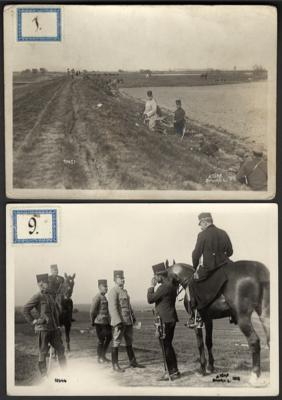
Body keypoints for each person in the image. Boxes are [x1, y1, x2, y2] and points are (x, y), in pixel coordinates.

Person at [188, 213, 233, 328]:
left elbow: (196, 254)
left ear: (204, 222)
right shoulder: (223, 232)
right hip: (226, 265)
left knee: (192, 282)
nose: (200, 227)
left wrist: (195, 268)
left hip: (210, 267)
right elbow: (230, 251)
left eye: (201, 224)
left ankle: (195, 315)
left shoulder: (202, 234)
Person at [23, 274, 66, 378]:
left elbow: (55, 312)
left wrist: (58, 326)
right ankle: (44, 376)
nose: (48, 284)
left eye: (48, 283)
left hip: (54, 329)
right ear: (41, 284)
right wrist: (34, 321)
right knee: (43, 351)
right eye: (46, 283)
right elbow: (25, 309)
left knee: (60, 349)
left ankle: (65, 372)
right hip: (44, 329)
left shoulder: (50, 296)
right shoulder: (37, 296)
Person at [147, 263, 180, 381]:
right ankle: (174, 370)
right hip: (171, 319)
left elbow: (150, 299)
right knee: (168, 345)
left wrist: (151, 286)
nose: (155, 278)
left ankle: (169, 373)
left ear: (160, 276)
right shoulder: (171, 286)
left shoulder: (163, 287)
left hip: (164, 320)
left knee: (165, 346)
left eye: (156, 276)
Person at [108, 270, 145, 372]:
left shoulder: (125, 292)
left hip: (128, 322)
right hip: (119, 322)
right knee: (116, 342)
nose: (123, 280)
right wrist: (118, 322)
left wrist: (133, 318)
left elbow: (128, 307)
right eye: (121, 278)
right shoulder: (113, 292)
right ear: (115, 280)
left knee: (129, 341)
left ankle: (133, 362)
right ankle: (115, 365)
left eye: (123, 278)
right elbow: (113, 308)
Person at [90, 279, 112, 364]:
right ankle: (99, 357)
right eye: (104, 286)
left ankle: (103, 355)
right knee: (101, 340)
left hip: (106, 322)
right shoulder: (97, 297)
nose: (106, 288)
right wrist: (92, 321)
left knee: (109, 337)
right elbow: (92, 311)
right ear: (99, 287)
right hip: (99, 322)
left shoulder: (105, 297)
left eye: (107, 286)